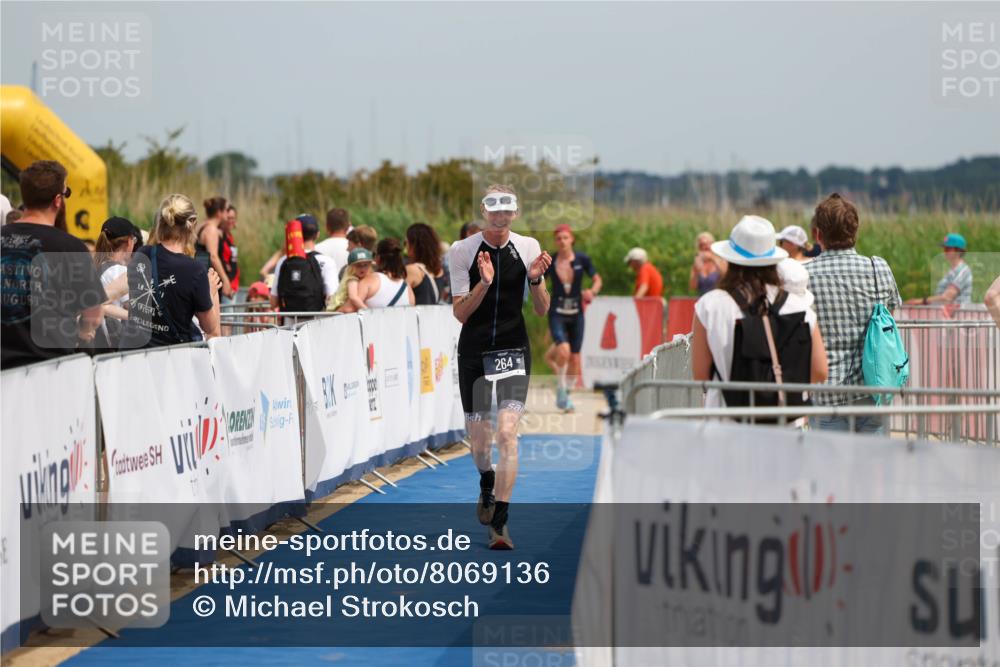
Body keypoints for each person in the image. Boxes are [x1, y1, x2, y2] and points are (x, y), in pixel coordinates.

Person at [449, 185, 551, 550]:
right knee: (479, 444)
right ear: (483, 211)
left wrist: (536, 280)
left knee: (507, 435)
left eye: (507, 208)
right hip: (475, 350)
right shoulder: (462, 251)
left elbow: (541, 309)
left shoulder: (528, 247)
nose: (500, 214)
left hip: (513, 348)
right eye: (493, 207)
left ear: (516, 213)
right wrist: (484, 284)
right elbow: (460, 313)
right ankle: (486, 481)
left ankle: (500, 524)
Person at [691, 215, 827, 409]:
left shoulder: (709, 305)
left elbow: (701, 375)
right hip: (783, 421)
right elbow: (820, 371)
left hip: (725, 422)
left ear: (731, 258)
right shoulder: (799, 304)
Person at [807, 193, 901, 433]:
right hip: (873, 388)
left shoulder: (803, 274)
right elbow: (889, 313)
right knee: (872, 468)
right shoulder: (877, 267)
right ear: (854, 232)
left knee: (828, 470)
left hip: (827, 393)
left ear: (818, 234)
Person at [1, 160, 106, 369]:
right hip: (50, 371)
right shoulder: (72, 248)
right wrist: (83, 330)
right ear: (58, 200)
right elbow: (94, 317)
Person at [118, 194, 222, 349]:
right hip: (169, 360)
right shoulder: (195, 270)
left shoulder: (143, 254)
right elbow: (210, 328)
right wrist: (210, 292)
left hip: (132, 353)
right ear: (192, 224)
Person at [543, 224, 601, 411]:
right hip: (557, 313)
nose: (562, 241)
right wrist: (541, 296)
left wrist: (592, 292)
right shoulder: (550, 260)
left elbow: (597, 279)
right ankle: (560, 388)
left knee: (575, 358)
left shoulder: (582, 259)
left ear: (572, 239)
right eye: (558, 238)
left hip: (577, 313)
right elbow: (537, 280)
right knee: (564, 350)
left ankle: (566, 394)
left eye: (565, 238)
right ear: (555, 241)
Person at [270, 215, 339, 313]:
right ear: (317, 234)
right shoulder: (327, 261)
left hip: (289, 324)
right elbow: (332, 298)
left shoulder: (283, 261)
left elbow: (273, 302)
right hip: (316, 321)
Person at [91, 216, 139, 350]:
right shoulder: (119, 272)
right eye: (134, 240)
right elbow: (134, 309)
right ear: (129, 242)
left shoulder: (97, 268)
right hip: (117, 346)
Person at [905, 233, 973, 305]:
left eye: (948, 249)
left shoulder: (962, 271)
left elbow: (947, 297)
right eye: (944, 248)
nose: (945, 251)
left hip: (958, 313)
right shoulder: (952, 270)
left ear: (958, 251)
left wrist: (920, 301)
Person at [193, 196, 234, 301]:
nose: (227, 213)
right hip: (208, 280)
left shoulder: (202, 226)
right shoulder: (211, 229)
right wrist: (225, 280)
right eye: (226, 210)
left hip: (201, 276)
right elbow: (213, 256)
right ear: (219, 213)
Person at [405, 223, 448, 305]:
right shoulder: (439, 271)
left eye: (406, 243)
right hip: (431, 317)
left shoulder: (412, 270)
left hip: (414, 317)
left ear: (414, 245)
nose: (406, 247)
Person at [367, 238, 415, 307]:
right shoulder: (407, 288)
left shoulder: (371, 279)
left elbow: (348, 308)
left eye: (375, 254)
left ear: (378, 258)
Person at [329, 248, 377, 312]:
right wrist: (368, 311)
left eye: (365, 265)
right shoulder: (352, 280)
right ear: (351, 267)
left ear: (370, 266)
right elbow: (353, 297)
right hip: (337, 311)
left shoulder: (363, 279)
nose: (362, 268)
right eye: (358, 265)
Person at [218, 204, 240, 302]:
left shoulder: (230, 237)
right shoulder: (219, 237)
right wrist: (226, 284)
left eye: (233, 218)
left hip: (234, 286)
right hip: (226, 288)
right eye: (228, 218)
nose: (231, 220)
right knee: (227, 317)